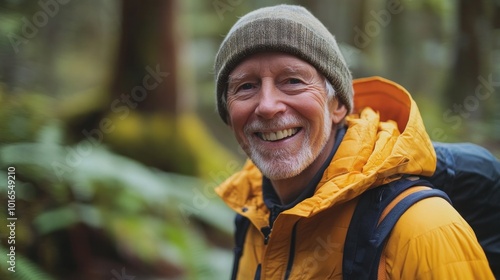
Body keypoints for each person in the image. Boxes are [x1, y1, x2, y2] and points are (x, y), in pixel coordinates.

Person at [213, 4, 495, 279]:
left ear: (338, 106)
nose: (268, 106)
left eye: (293, 81)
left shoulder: (423, 229)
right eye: (246, 86)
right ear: (228, 114)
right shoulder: (252, 215)